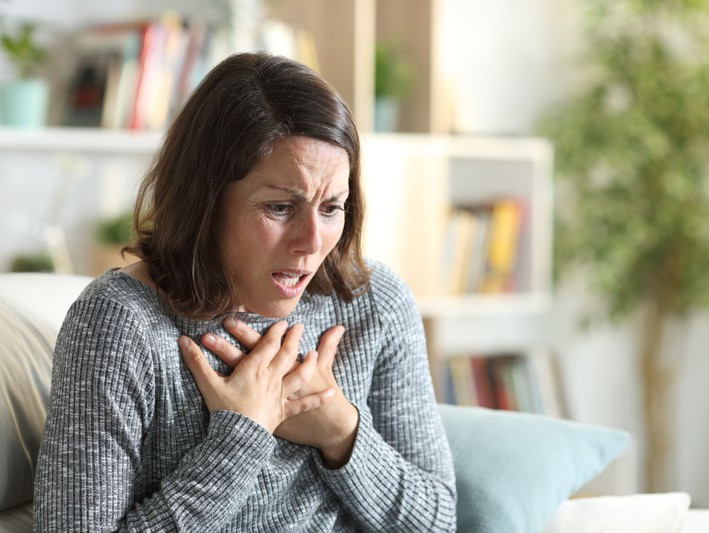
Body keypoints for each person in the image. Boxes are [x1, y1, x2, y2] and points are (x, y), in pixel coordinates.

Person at [33, 52, 457, 531]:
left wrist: (339, 429)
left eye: (332, 207)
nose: (312, 243)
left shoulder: (373, 301)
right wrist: (241, 436)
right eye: (279, 208)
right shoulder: (119, 324)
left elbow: (437, 521)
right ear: (205, 202)